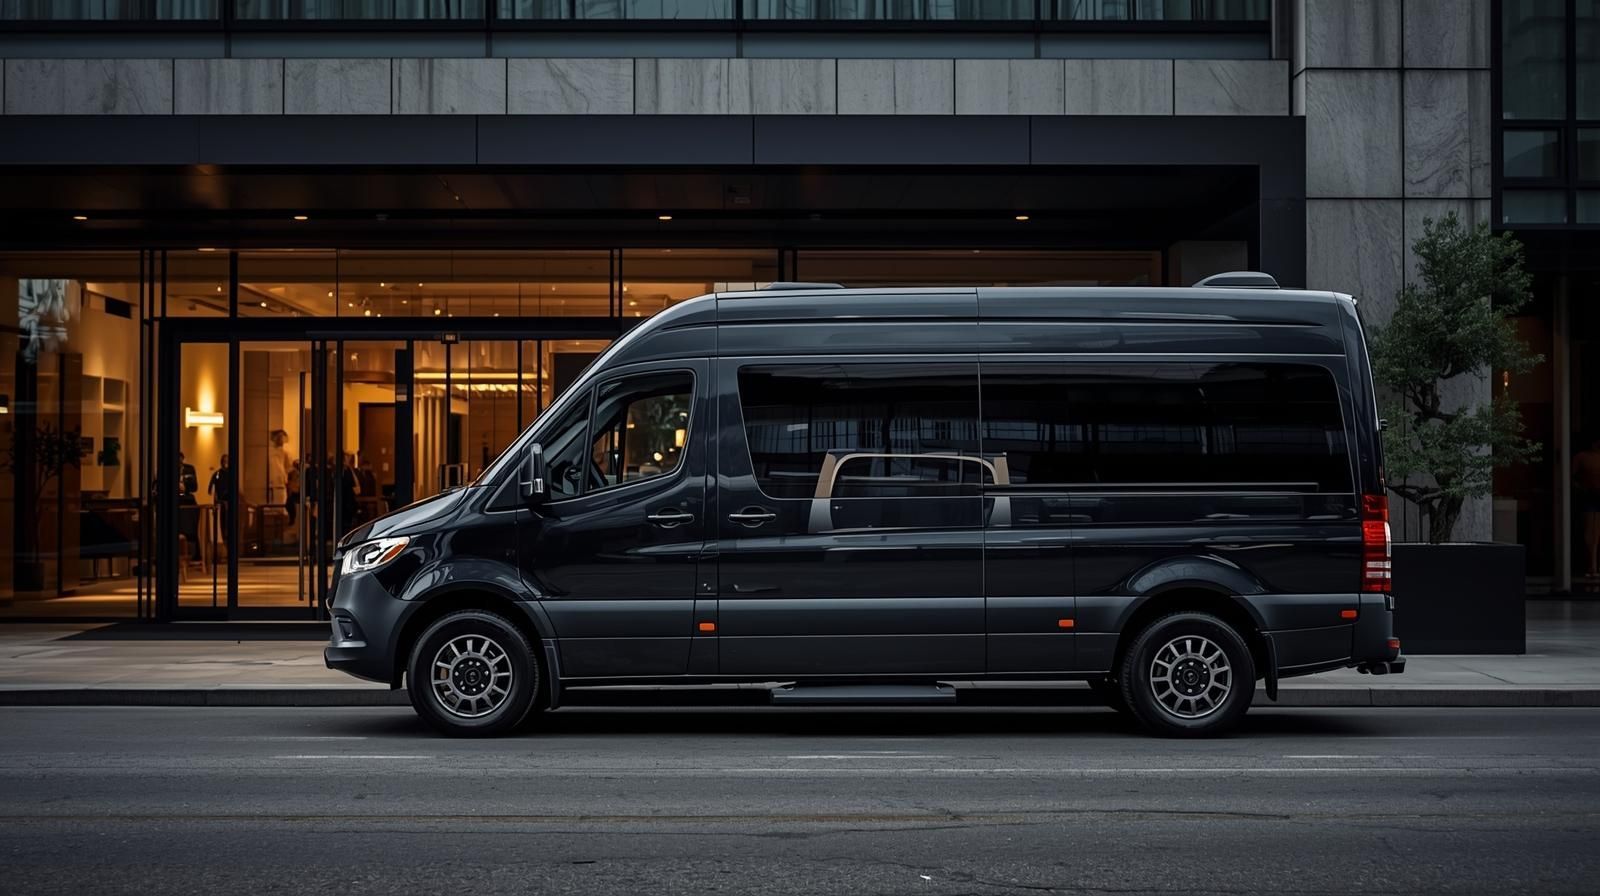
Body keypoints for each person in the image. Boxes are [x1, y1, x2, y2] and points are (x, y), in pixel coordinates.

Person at [1575, 435, 1600, 579]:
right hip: (1589, 495)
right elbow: (1569, 476)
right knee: (1589, 531)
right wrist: (1581, 488)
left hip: (1595, 494)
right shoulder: (1582, 457)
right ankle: (1591, 565)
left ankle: (1594, 565)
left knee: (1596, 531)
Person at [208, 453, 234, 553]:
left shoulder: (232, 473)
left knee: (230, 524)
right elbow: (211, 489)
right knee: (223, 524)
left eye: (227, 461)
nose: (226, 463)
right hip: (221, 503)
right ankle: (225, 546)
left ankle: (229, 545)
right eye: (224, 461)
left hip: (230, 502)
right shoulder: (217, 474)